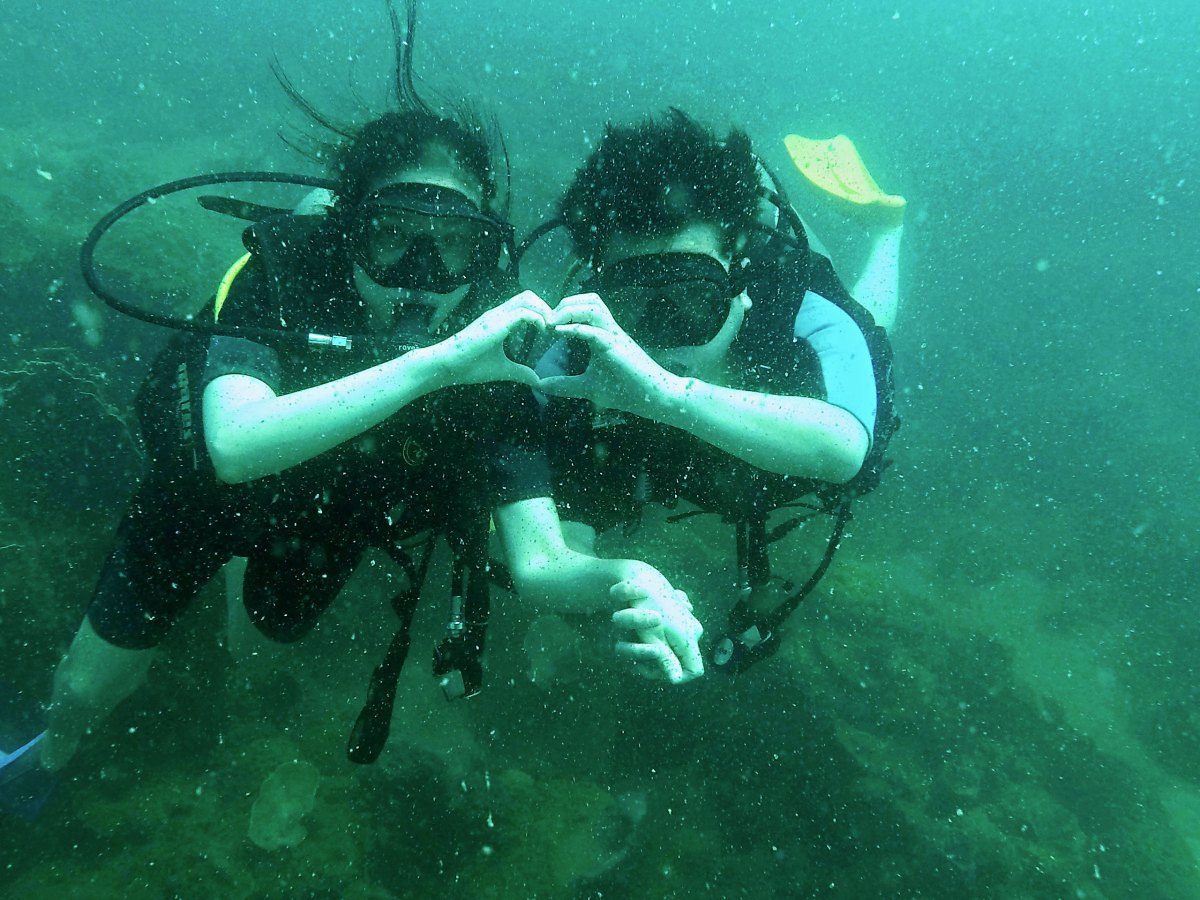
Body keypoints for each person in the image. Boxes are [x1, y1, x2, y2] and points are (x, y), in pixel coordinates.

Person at [28, 7, 703, 778]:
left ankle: (235, 583)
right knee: (90, 684)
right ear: (347, 231)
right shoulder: (280, 275)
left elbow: (542, 559)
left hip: (330, 514)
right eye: (392, 235)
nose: (421, 271)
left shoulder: (499, 348)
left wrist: (631, 578)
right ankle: (51, 755)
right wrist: (437, 365)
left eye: (452, 245)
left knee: (261, 646)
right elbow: (235, 445)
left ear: (484, 256)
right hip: (202, 500)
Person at [535, 109, 901, 672]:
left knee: (872, 319)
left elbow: (844, 446)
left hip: (783, 370)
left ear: (739, 278)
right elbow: (558, 544)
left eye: (690, 299)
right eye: (633, 304)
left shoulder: (800, 316)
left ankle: (887, 227)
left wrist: (663, 396)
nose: (656, 340)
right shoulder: (573, 358)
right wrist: (618, 600)